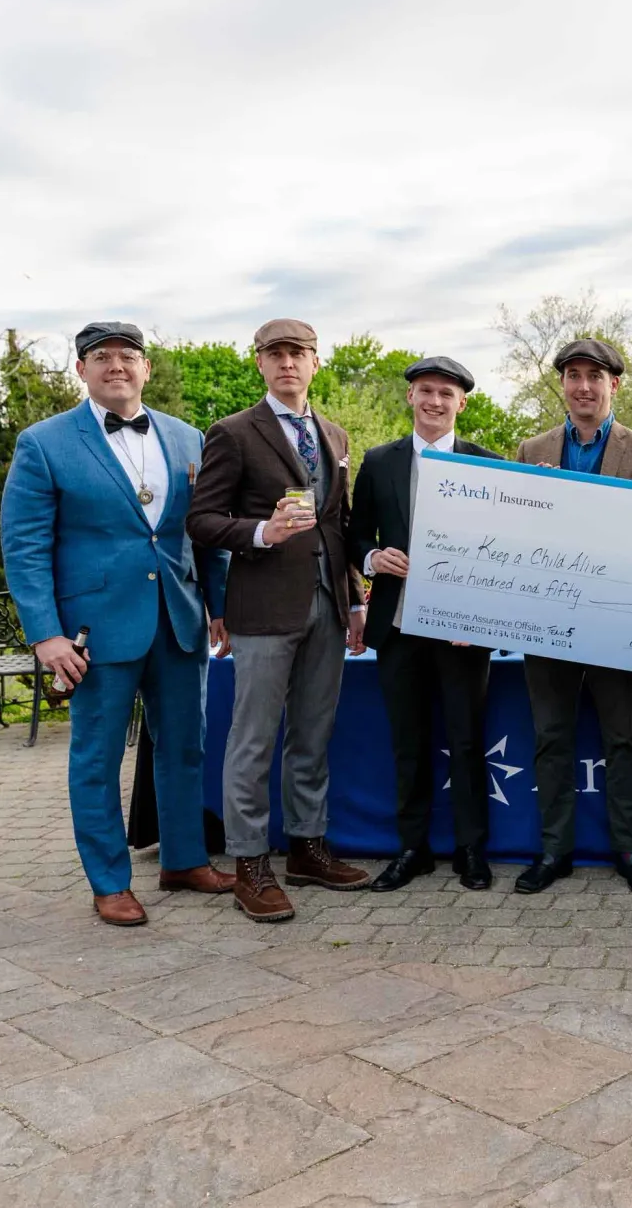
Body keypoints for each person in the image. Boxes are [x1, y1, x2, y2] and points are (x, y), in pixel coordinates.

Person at [1, 321, 233, 926]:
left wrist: (221, 606)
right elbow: (24, 547)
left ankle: (184, 860)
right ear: (81, 370)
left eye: (128, 356)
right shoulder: (44, 443)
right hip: (93, 632)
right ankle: (109, 882)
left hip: (179, 620)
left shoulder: (188, 437)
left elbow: (205, 533)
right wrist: (45, 635)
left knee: (185, 747)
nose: (116, 366)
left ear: (146, 368)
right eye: (101, 357)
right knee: (97, 759)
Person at [186, 318, 371, 922]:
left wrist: (355, 600)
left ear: (316, 362)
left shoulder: (335, 435)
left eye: (298, 353)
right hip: (263, 607)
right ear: (260, 363)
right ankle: (249, 862)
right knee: (254, 739)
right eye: (276, 354)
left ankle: (306, 848)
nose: (287, 363)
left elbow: (339, 525)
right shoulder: (233, 432)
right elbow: (201, 520)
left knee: (313, 734)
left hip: (328, 604)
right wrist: (262, 532)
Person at [513, 338, 632, 895]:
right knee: (551, 737)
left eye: (594, 376)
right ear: (562, 383)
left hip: (618, 621)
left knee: (622, 739)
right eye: (574, 375)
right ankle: (554, 851)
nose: (583, 386)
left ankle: (629, 850)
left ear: (613, 385)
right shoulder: (531, 450)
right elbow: (514, 536)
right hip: (548, 618)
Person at [348, 355, 502, 893]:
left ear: (463, 403)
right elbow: (355, 534)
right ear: (411, 396)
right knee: (407, 743)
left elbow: (505, 548)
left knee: (466, 741)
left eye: (446, 393)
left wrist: (483, 615)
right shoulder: (378, 461)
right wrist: (373, 558)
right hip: (398, 626)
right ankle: (412, 849)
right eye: (426, 391)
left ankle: (471, 848)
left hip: (463, 630)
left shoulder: (489, 465)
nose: (435, 401)